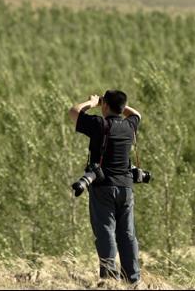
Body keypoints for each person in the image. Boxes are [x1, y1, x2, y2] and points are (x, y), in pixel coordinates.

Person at [68, 90, 142, 285]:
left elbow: (73, 112)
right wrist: (119, 105)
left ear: (106, 106)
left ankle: (110, 280)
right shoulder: (129, 126)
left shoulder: (100, 125)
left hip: (103, 188)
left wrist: (92, 103)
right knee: (127, 234)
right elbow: (137, 115)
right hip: (126, 188)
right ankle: (132, 280)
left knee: (105, 232)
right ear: (122, 107)